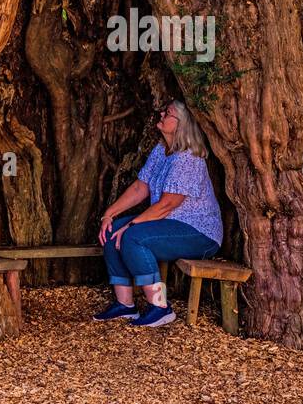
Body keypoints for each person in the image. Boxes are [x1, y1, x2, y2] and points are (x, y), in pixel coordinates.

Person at [94, 99, 223, 327]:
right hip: (168, 223)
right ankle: (126, 305)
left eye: (168, 113)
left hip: (197, 232)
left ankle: (160, 306)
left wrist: (132, 226)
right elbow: (140, 187)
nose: (161, 114)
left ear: (181, 123)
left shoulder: (188, 157)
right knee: (113, 230)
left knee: (133, 237)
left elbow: (167, 204)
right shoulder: (161, 150)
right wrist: (109, 215)